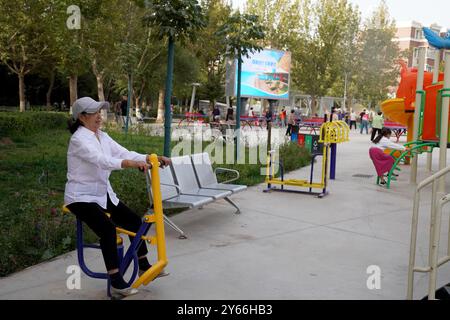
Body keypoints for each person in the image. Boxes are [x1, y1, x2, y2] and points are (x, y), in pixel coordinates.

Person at [64, 97, 171, 297]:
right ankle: (116, 281)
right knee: (107, 230)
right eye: (94, 113)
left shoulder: (101, 136)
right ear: (82, 117)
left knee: (134, 221)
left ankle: (143, 265)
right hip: (80, 197)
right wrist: (129, 164)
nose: (99, 116)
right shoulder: (79, 139)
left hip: (102, 194)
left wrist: (149, 158)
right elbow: (101, 160)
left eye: (99, 112)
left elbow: (123, 152)